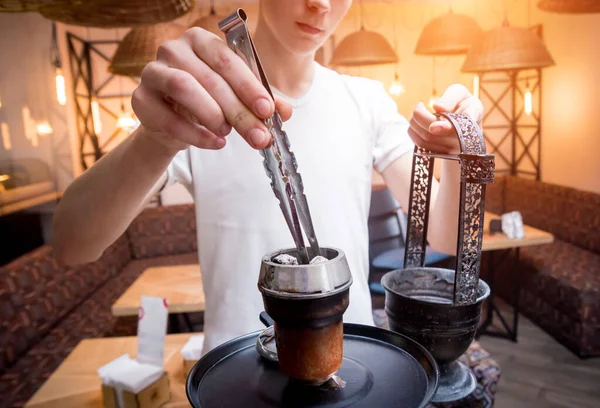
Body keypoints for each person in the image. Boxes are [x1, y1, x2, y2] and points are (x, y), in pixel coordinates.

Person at [52, 0, 483, 354]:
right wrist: (155, 140)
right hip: (237, 381)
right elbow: (73, 244)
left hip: (355, 368)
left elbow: (446, 238)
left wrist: (460, 152)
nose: (322, 4)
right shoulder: (200, 105)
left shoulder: (366, 101)